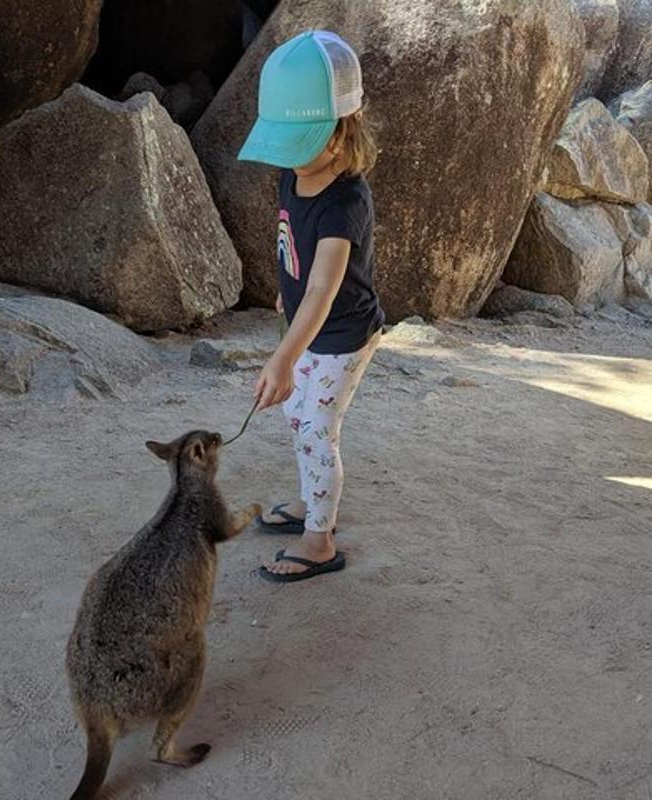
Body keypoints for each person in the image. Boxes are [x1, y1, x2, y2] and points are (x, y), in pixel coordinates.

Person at [236, 30, 384, 583]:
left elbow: (325, 288)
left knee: (317, 427)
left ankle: (319, 539)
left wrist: (282, 356)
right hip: (309, 325)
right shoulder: (293, 178)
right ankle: (310, 500)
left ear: (341, 134)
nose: (289, 161)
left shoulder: (345, 201)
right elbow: (291, 248)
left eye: (300, 144)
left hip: (342, 334)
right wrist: (285, 290)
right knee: (300, 418)